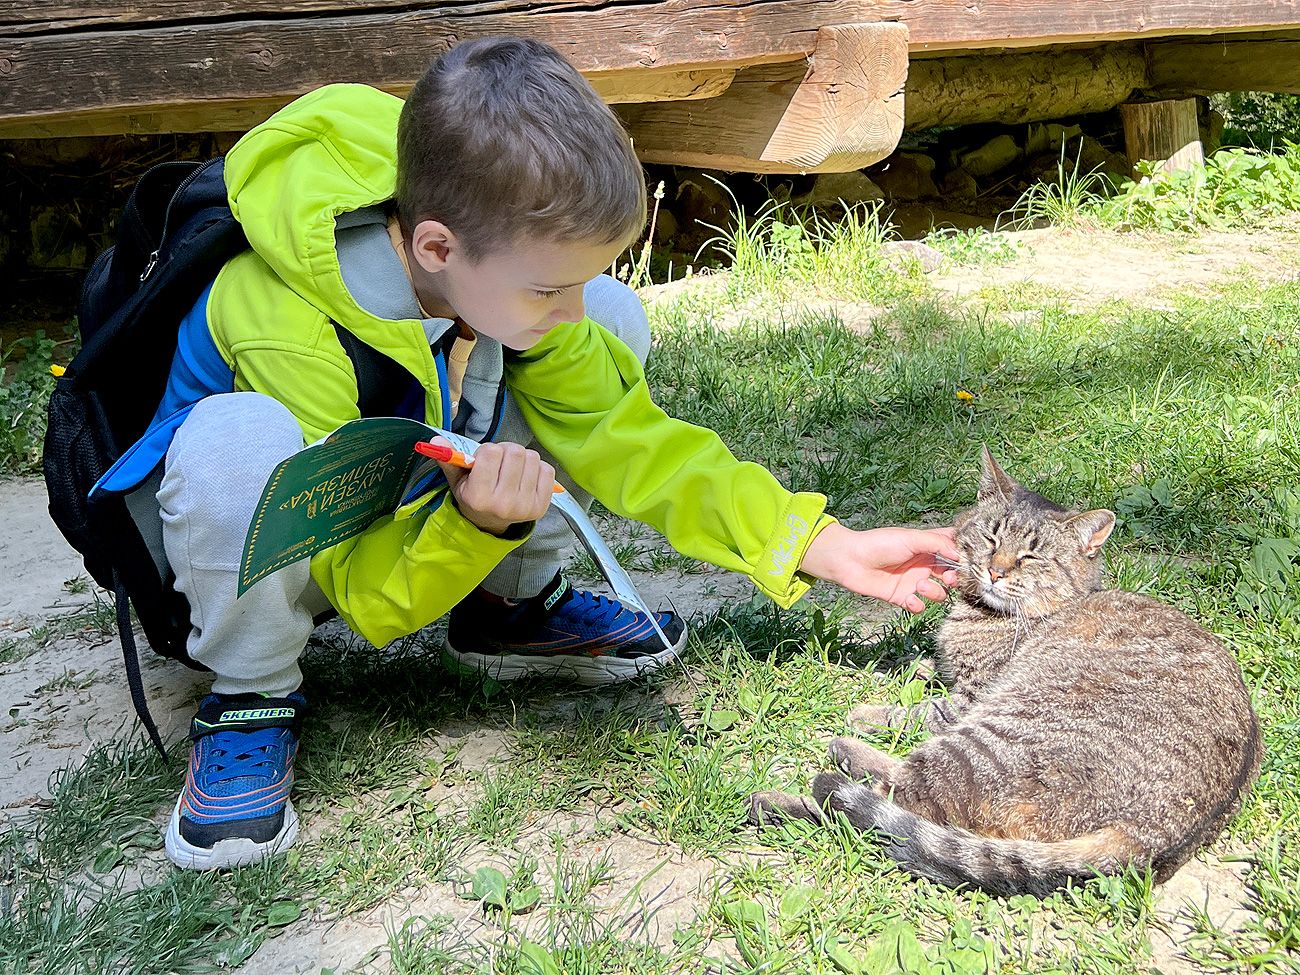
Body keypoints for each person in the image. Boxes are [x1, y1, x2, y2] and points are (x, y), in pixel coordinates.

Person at [92, 36, 960, 871]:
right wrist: (475, 525)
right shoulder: (287, 320)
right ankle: (249, 693)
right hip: (249, 545)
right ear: (435, 247)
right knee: (236, 437)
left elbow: (638, 445)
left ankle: (508, 610)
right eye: (551, 285)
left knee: (613, 325)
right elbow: (360, 591)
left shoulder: (477, 260)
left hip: (391, 478)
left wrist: (819, 542)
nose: (569, 309)